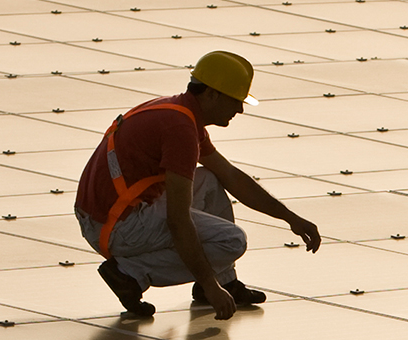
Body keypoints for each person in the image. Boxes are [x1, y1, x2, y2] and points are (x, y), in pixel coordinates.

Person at [76, 51, 321, 321]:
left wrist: (290, 217)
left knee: (211, 179)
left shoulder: (179, 113)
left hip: (108, 214)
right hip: (116, 227)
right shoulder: (180, 130)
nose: (239, 110)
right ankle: (131, 273)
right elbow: (178, 221)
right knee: (232, 241)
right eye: (236, 101)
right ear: (213, 94)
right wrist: (208, 284)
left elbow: (230, 176)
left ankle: (225, 280)